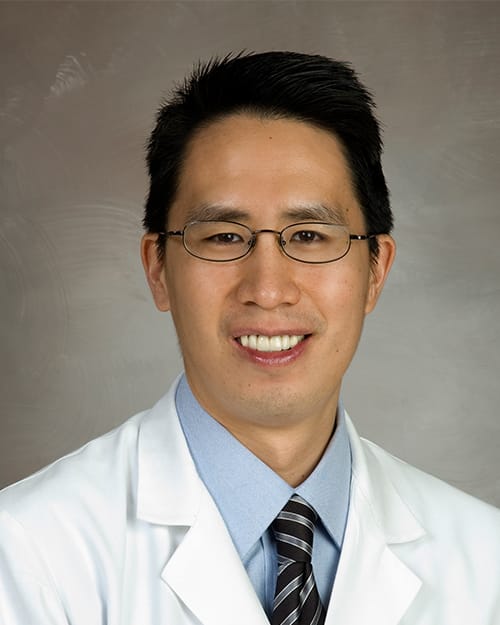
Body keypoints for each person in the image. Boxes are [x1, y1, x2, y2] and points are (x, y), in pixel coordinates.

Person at [0, 51, 499, 625]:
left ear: (375, 271)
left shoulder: (484, 562)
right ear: (158, 268)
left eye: (309, 235)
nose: (267, 290)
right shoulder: (30, 553)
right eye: (223, 237)